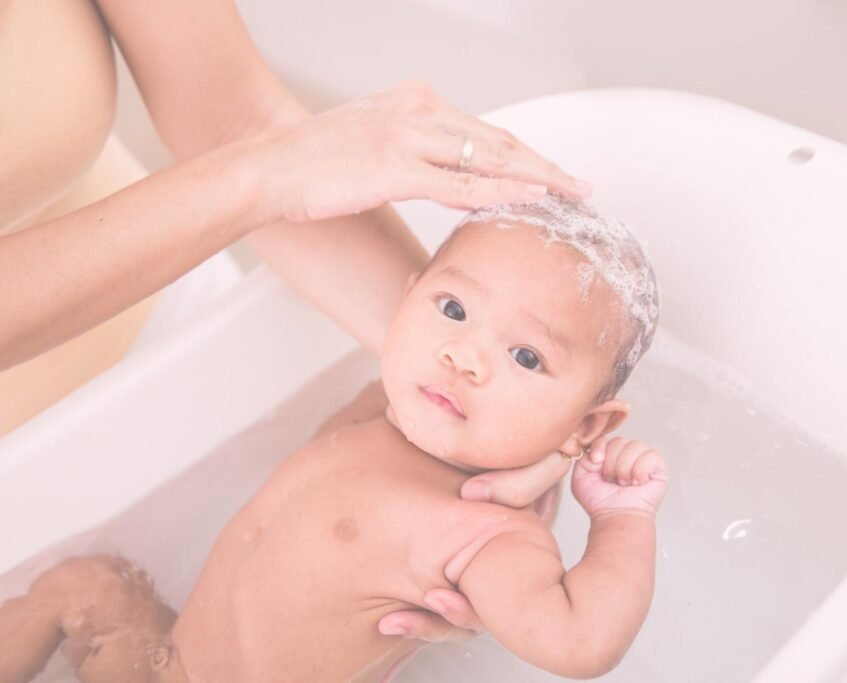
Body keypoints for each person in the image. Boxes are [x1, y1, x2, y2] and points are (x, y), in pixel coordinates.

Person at [0, 0, 591, 637]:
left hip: (170, 294)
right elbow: (266, 165)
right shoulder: (258, 180)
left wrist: (489, 414)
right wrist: (272, 171)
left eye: (529, 357)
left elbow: (235, 117)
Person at [0, 195, 667, 682]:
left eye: (526, 357)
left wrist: (621, 519)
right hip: (168, 660)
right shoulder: (387, 407)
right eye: (453, 310)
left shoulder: (487, 533)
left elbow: (579, 640)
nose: (464, 355)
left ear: (586, 428)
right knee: (81, 584)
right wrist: (545, 451)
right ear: (406, 301)